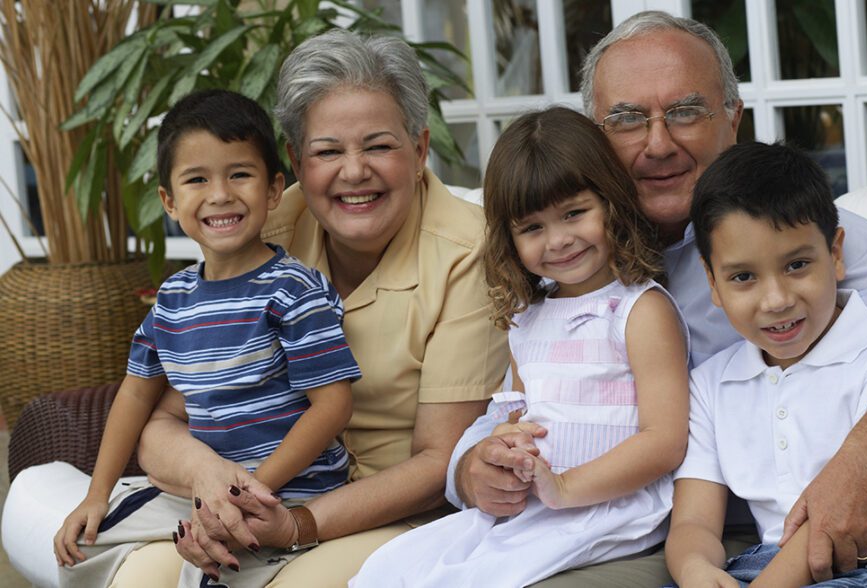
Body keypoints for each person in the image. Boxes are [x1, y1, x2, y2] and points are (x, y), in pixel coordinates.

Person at [449, 10, 867, 586]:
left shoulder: (791, 236)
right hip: (626, 528)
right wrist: (475, 467)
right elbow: (528, 401)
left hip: (770, 537)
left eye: (685, 111)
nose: (658, 143)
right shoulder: (565, 260)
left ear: (733, 119)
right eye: (626, 120)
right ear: (595, 141)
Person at [3, 28, 507, 587]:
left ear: (419, 150)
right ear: (294, 163)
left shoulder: (472, 252)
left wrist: (290, 522)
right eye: (327, 151)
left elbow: (440, 460)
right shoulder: (260, 225)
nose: (354, 170)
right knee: (122, 563)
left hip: (390, 511)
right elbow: (168, 415)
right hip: (250, 494)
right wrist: (215, 482)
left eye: (380, 145)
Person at [350, 106, 689, 586]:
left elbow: (665, 439)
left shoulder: (638, 310)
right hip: (536, 501)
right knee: (390, 568)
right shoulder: (528, 318)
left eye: (574, 213)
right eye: (533, 227)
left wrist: (567, 487)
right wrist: (502, 450)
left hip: (609, 505)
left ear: (611, 201)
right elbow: (518, 414)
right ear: (509, 238)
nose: (559, 240)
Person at [52, 88, 361, 587]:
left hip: (288, 492)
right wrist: (97, 493)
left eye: (239, 174)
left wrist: (251, 493)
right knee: (80, 541)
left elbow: (333, 406)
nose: (220, 194)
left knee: (215, 569)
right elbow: (134, 393)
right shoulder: (172, 299)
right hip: (200, 492)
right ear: (170, 202)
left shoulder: (292, 290)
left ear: (274, 189)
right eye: (197, 179)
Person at [666, 140, 867, 588]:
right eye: (743, 277)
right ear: (712, 281)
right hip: (766, 564)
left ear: (835, 253)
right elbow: (694, 522)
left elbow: (842, 517)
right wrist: (696, 569)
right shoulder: (711, 385)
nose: (776, 300)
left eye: (796, 265)